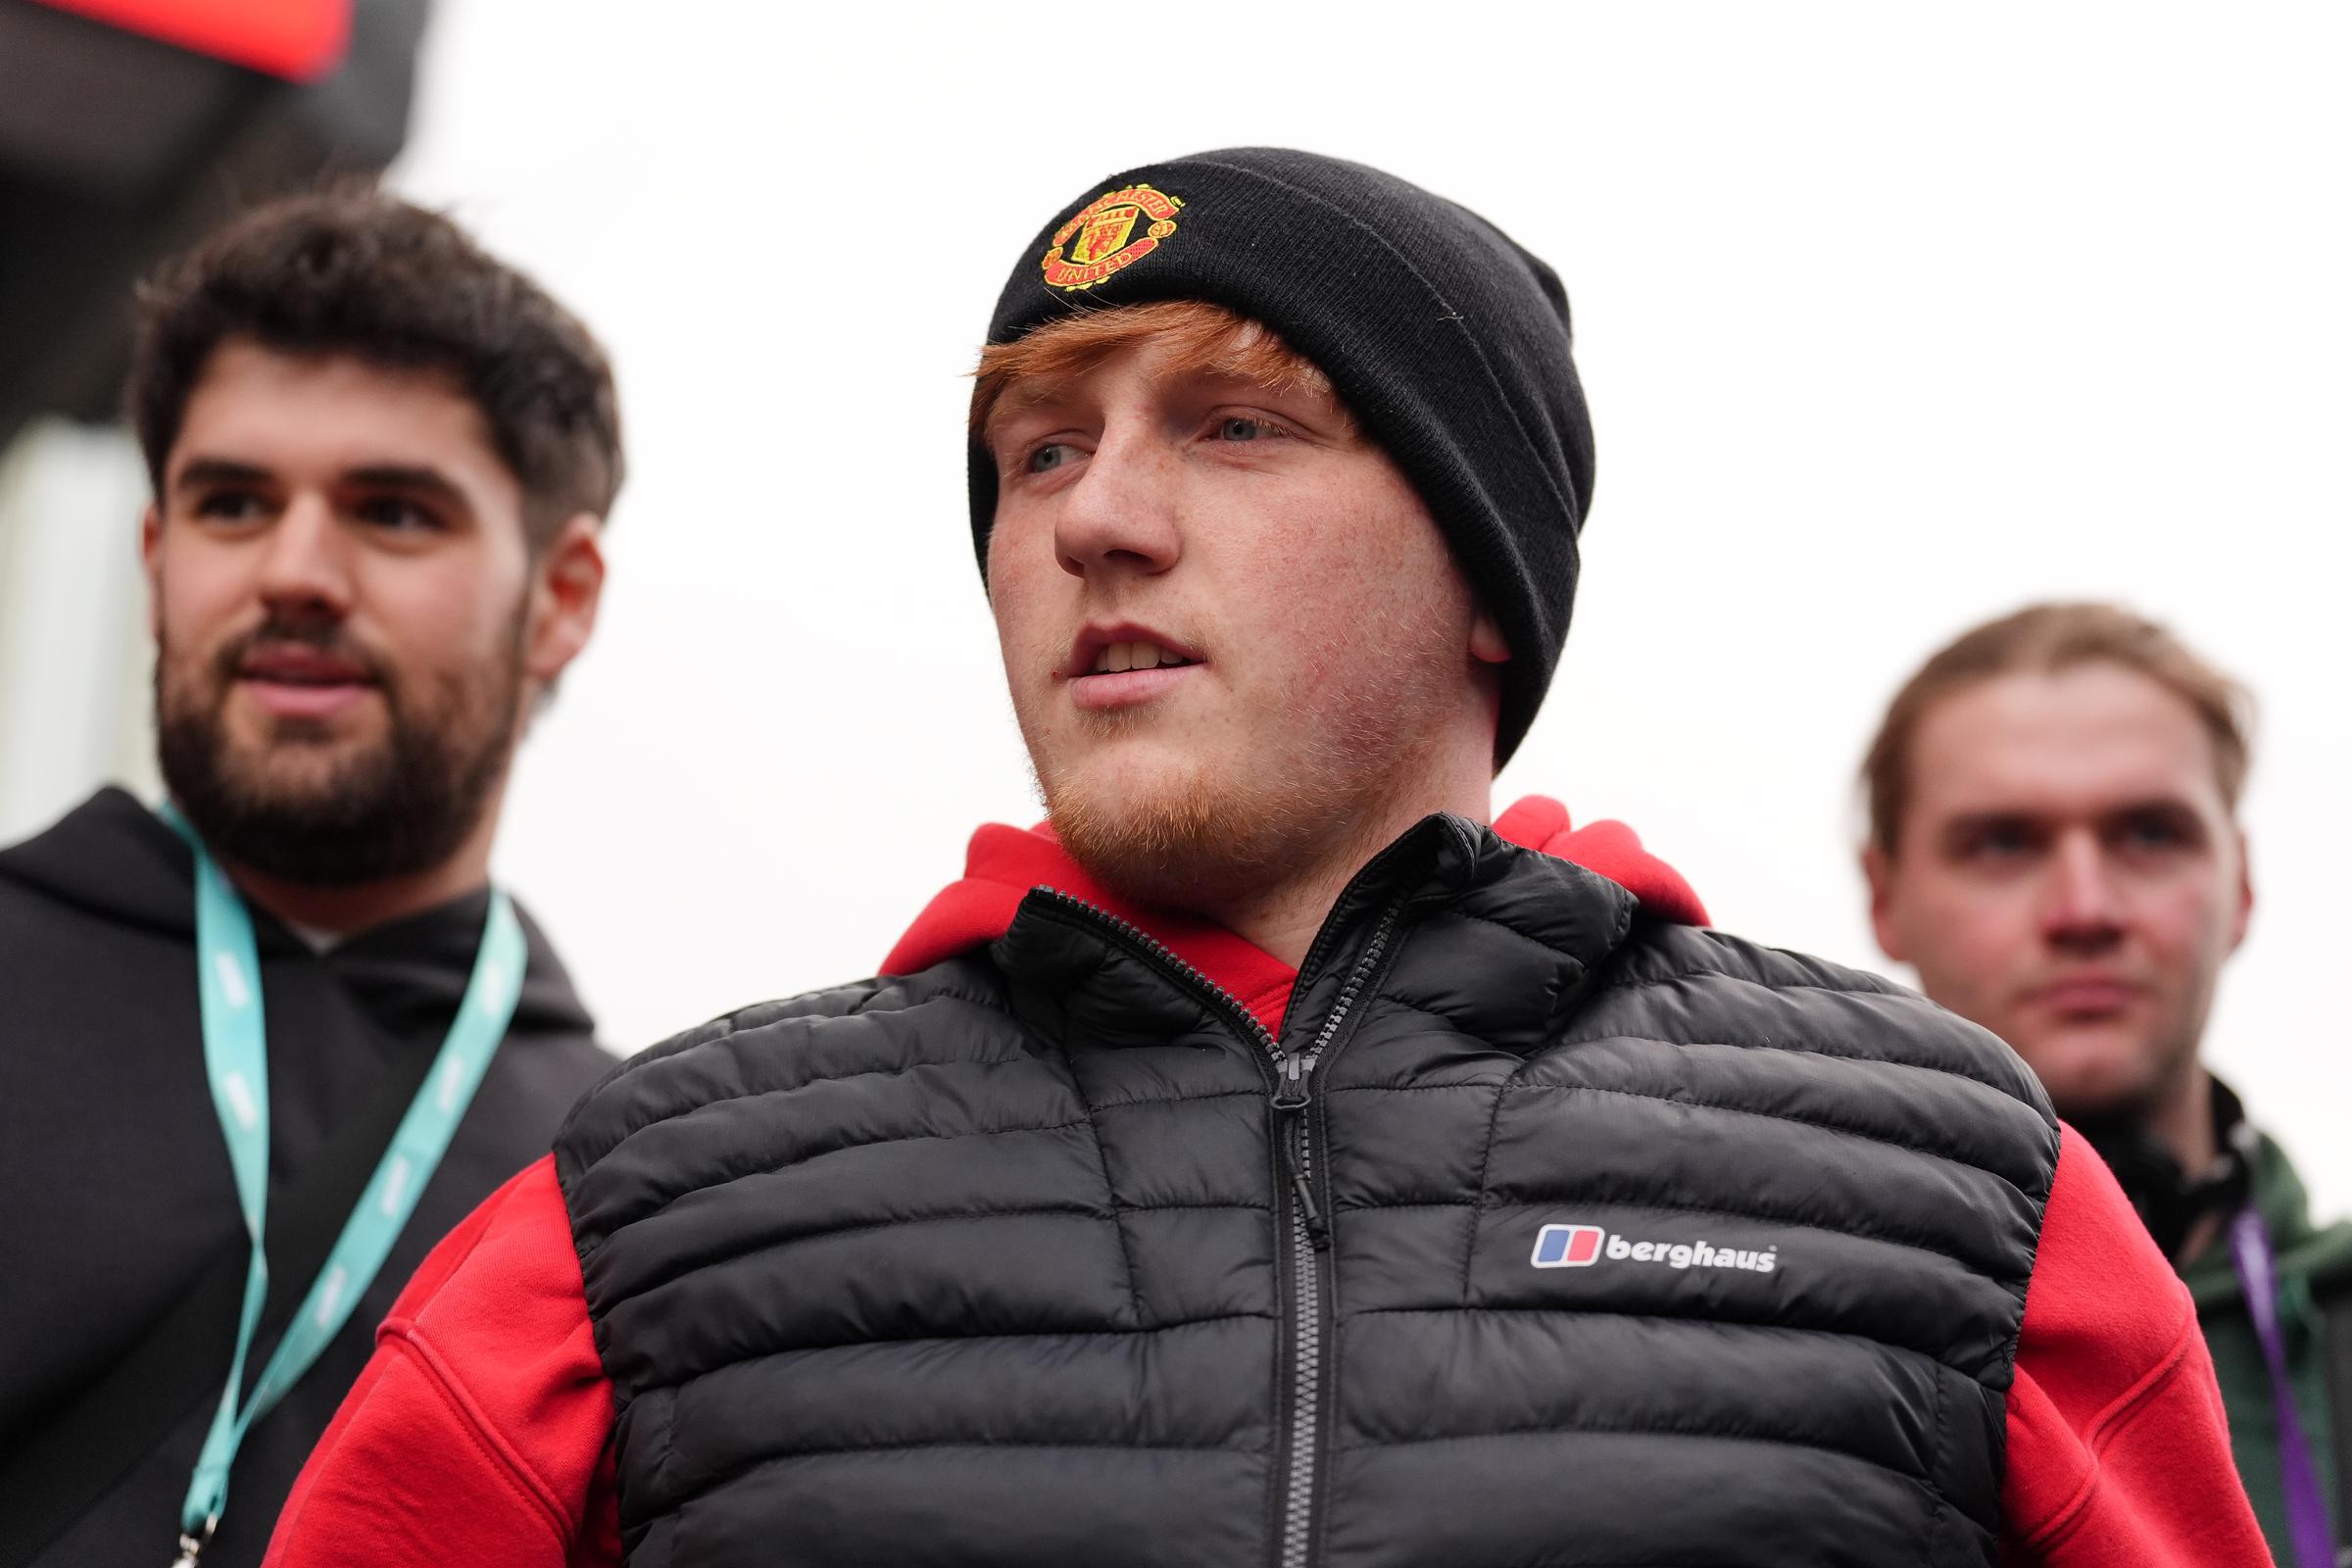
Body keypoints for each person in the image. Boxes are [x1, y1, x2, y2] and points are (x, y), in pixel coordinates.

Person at [267, 149, 2264, 1568]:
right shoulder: (647, 1207)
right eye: (1039, 448)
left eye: (1231, 423)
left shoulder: (1960, 1188)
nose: (1092, 517)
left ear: (1489, 577)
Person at [0, 187, 624, 1568]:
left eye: (392, 513)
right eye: (232, 503)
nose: (294, 571)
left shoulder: (627, 1176)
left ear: (562, 597)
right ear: (158, 558)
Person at [1863, 600, 2352, 1566]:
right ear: (1886, 898)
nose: (2084, 909)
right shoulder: (1790, 1333)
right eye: (2004, 843)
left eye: (2149, 833)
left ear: (2242, 885)